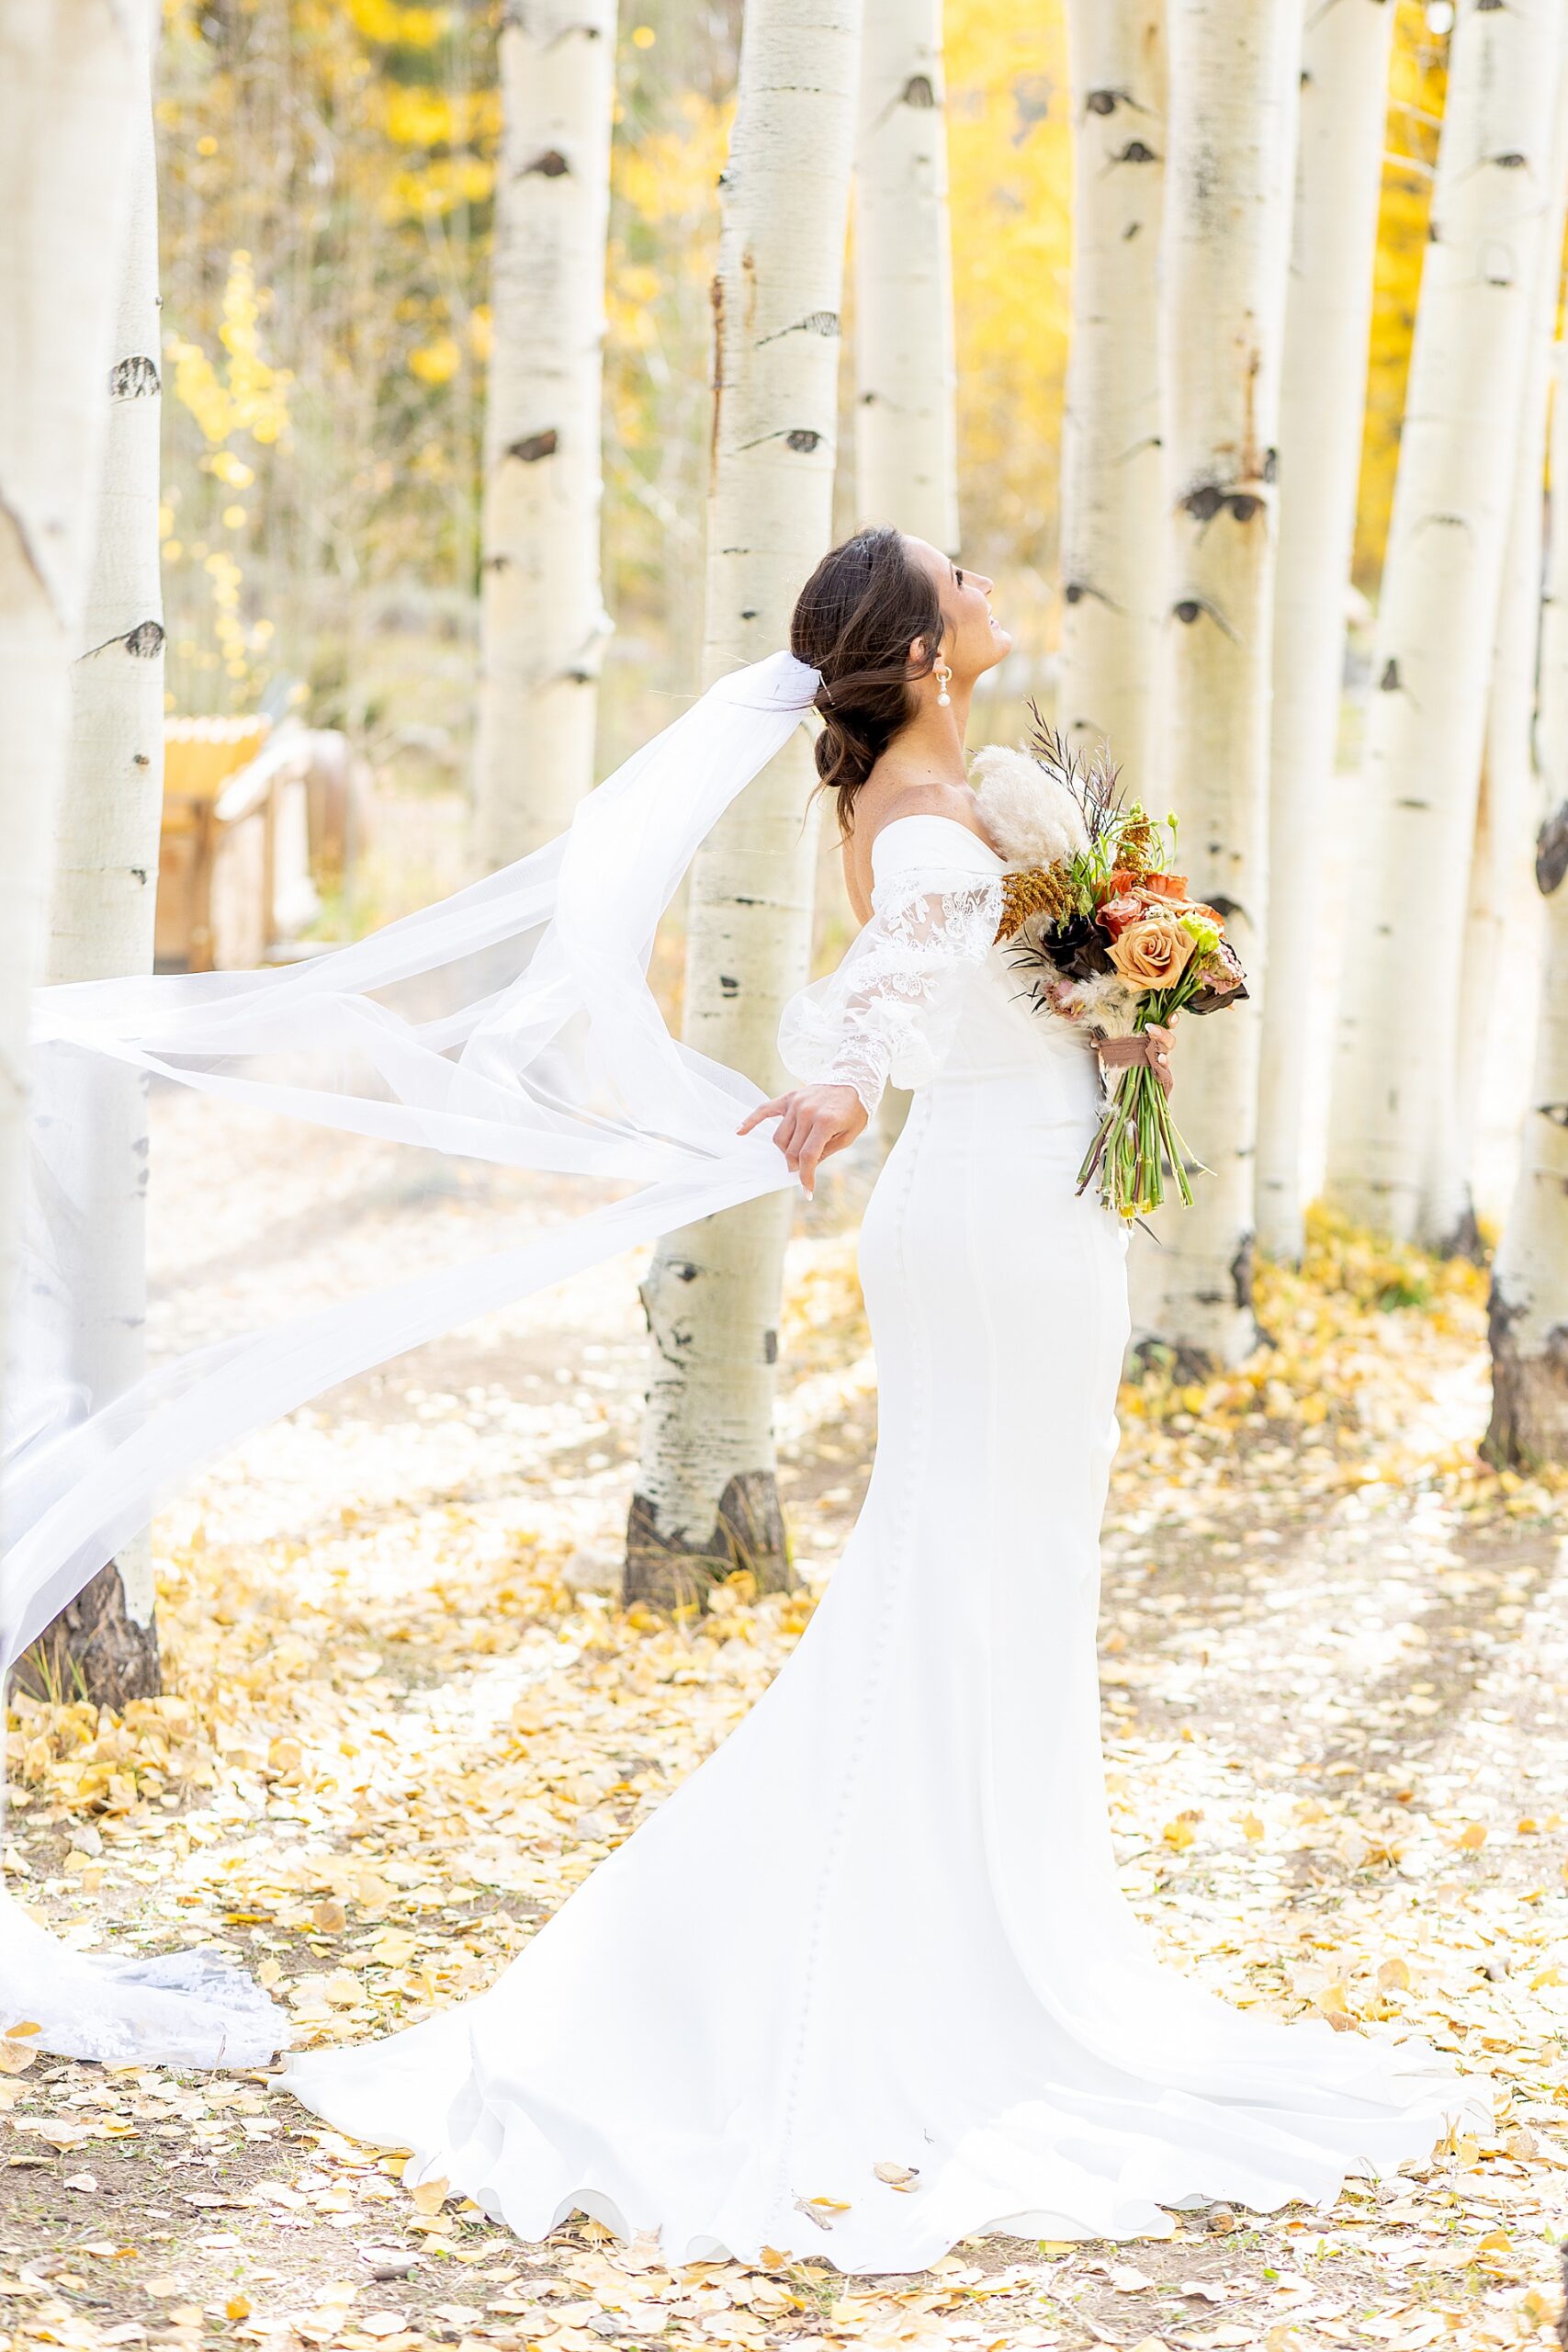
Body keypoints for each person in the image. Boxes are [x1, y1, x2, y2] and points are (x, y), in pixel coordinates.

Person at [282, 529, 1478, 2273]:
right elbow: (889, 998)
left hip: (1018, 1200)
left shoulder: (955, 804)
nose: (989, 578)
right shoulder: (928, 826)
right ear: (921, 652)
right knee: (959, 1580)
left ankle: (995, 1927)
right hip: (991, 1226)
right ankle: (894, 1973)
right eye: (958, 573)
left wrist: (1111, 1009)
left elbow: (978, 995)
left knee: (1000, 1579)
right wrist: (835, 1092)